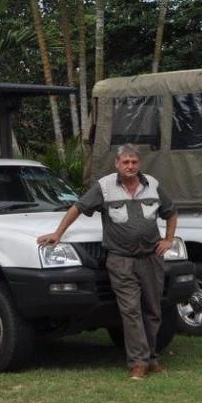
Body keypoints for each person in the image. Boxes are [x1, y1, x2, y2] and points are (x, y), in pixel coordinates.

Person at [38, 144, 177, 380]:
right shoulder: (104, 187)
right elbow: (78, 208)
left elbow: (171, 212)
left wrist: (169, 239)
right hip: (120, 260)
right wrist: (58, 234)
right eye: (125, 162)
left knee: (153, 310)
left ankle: (151, 358)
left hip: (151, 258)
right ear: (117, 163)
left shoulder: (152, 184)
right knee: (131, 310)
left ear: (139, 163)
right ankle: (138, 363)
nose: (130, 166)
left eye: (134, 162)